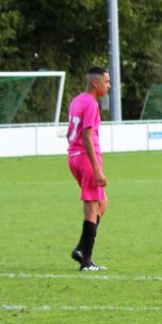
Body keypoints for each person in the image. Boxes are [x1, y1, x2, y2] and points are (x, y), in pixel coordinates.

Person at [67, 66, 111, 272]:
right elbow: (86, 137)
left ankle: (80, 249)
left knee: (102, 203)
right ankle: (87, 262)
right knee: (92, 207)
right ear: (96, 83)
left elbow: (71, 132)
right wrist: (97, 169)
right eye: (107, 82)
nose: (108, 86)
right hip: (86, 158)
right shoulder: (92, 104)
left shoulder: (77, 100)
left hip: (74, 157)